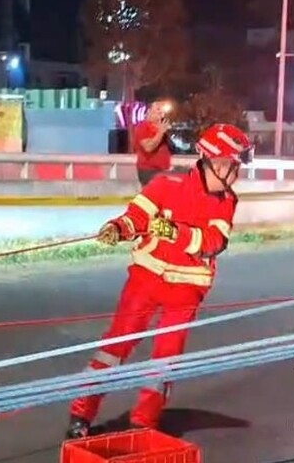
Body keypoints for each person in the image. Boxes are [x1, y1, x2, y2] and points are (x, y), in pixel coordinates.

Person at [66, 123, 253, 439]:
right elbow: (136, 218)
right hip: (146, 280)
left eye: (235, 168)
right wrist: (118, 228)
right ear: (213, 162)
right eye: (232, 166)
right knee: (115, 347)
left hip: (186, 292)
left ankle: (144, 423)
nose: (235, 174)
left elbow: (213, 241)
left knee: (165, 360)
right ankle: (80, 414)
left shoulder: (226, 201)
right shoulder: (165, 186)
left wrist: (173, 232)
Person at [133, 100, 176, 187]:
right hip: (149, 170)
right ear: (149, 111)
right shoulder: (143, 127)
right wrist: (160, 133)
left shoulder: (161, 130)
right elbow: (148, 147)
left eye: (162, 111)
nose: (161, 113)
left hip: (163, 170)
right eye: (157, 109)